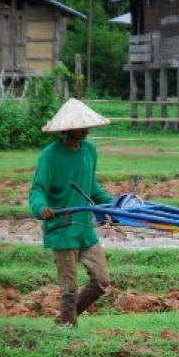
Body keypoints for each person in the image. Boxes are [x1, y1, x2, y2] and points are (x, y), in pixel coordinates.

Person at [28, 98, 113, 327]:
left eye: (87, 125)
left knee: (102, 280)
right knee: (69, 288)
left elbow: (90, 185)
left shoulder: (89, 151)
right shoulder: (50, 155)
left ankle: (64, 320)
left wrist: (110, 204)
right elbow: (37, 189)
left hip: (85, 229)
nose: (86, 129)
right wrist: (41, 208)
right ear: (68, 128)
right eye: (81, 126)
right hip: (62, 228)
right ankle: (68, 331)